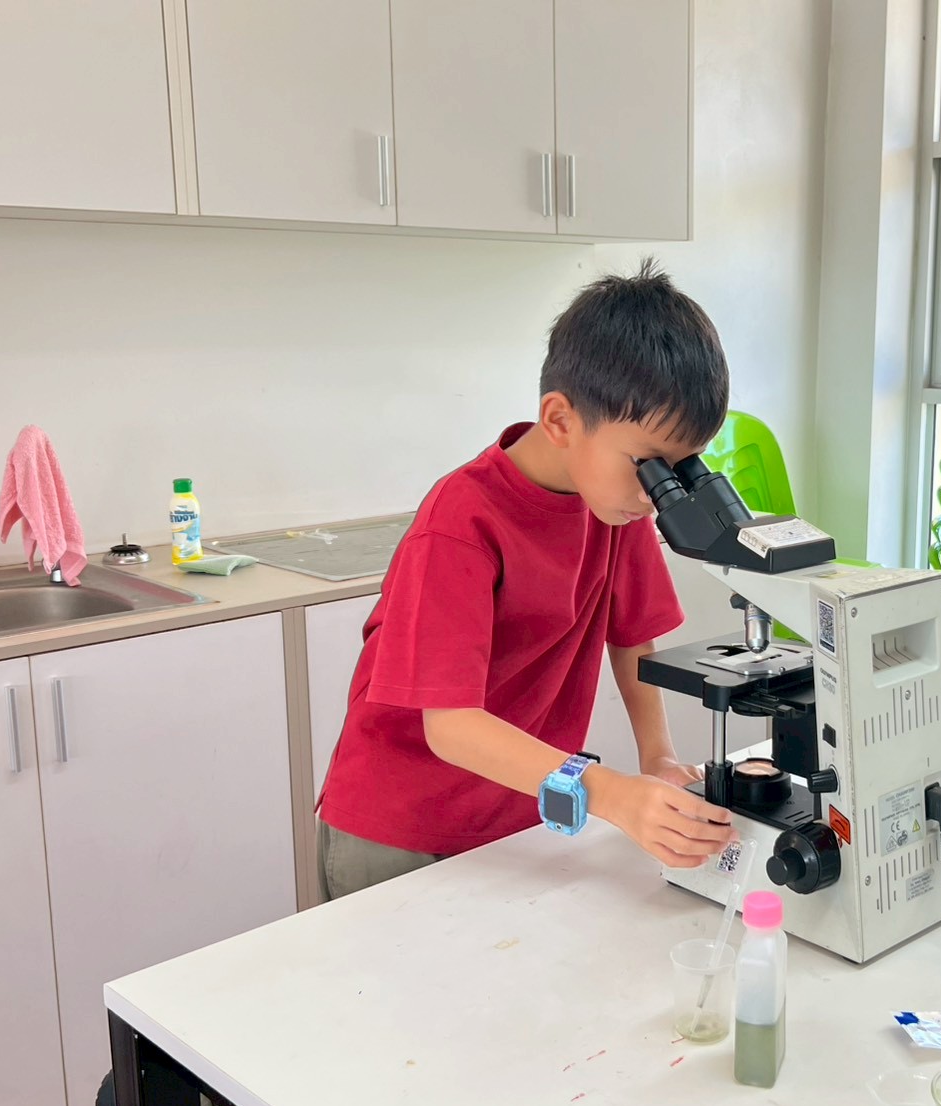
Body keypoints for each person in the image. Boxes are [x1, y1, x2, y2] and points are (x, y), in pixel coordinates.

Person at [315, 259, 737, 899]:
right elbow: (450, 726)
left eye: (679, 469)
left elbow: (632, 639)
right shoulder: (462, 521)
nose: (658, 493)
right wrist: (613, 794)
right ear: (561, 419)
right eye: (648, 465)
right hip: (402, 829)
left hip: (519, 813)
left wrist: (657, 757)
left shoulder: (615, 503)